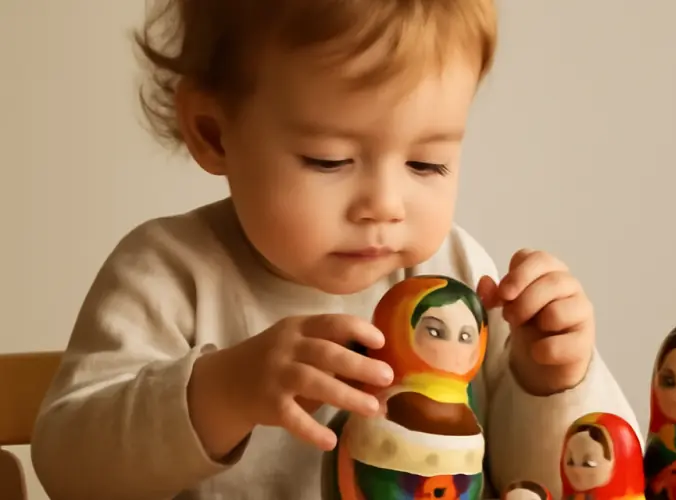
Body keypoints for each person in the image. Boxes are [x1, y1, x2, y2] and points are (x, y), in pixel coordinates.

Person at [29, 1, 639, 499]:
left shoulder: (454, 278)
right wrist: (222, 392)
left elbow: (581, 474)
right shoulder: (168, 277)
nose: (385, 204)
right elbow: (68, 466)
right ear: (214, 133)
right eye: (330, 160)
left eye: (428, 163)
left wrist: (553, 379)